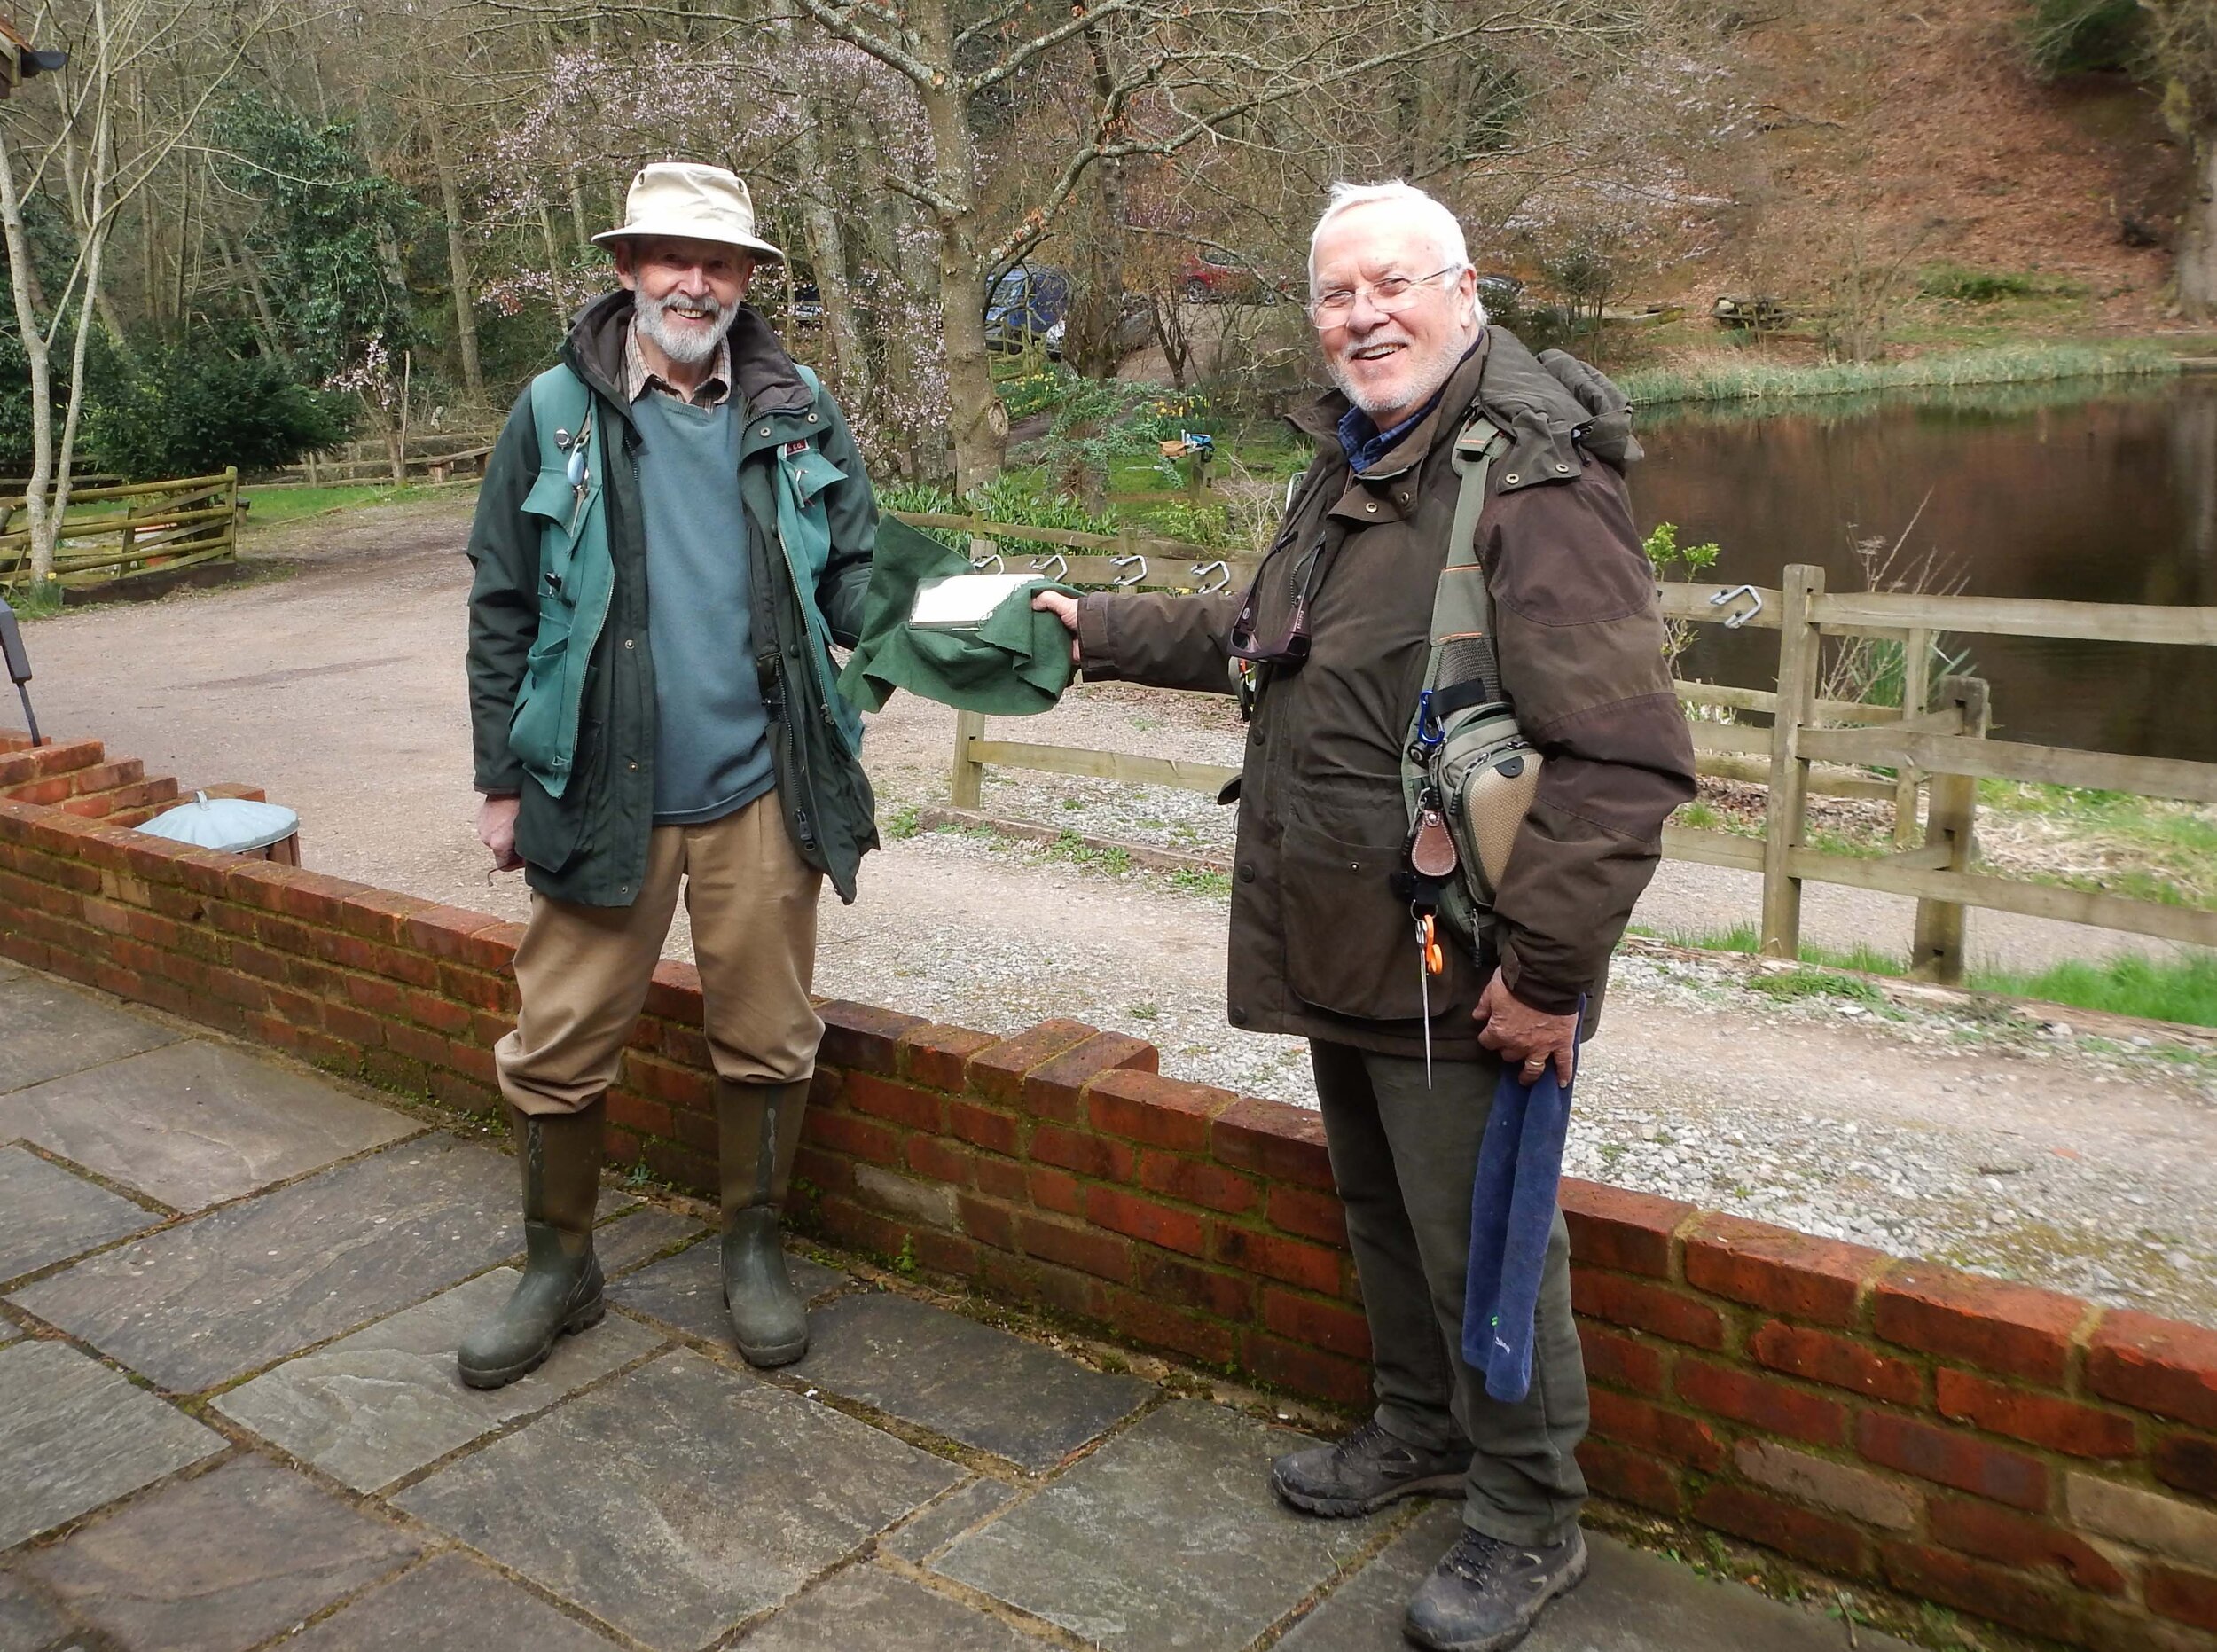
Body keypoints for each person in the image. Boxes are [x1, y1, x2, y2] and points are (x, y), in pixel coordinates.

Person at [1034, 180, 1696, 1651]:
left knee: (1487, 1243)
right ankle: (1419, 1427)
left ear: (1464, 292)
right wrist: (1092, 627)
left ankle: (1530, 1519)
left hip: (1474, 957)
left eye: (1391, 284)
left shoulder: (1531, 484)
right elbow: (1266, 638)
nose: (1362, 316)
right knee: (1384, 1213)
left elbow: (1629, 758)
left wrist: (1546, 973)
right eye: (1337, 294)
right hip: (1350, 935)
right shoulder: (1362, 459)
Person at [458, 161, 880, 1387]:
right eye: (670, 256)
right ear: (629, 269)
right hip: (601, 789)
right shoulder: (554, 413)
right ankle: (558, 1265)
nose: (695, 280)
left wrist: (955, 613)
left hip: (762, 786)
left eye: (721, 261)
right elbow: (500, 602)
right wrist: (501, 780)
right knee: (559, 1039)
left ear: (746, 280)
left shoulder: (800, 407)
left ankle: (754, 1250)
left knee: (767, 1034)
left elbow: (854, 575)